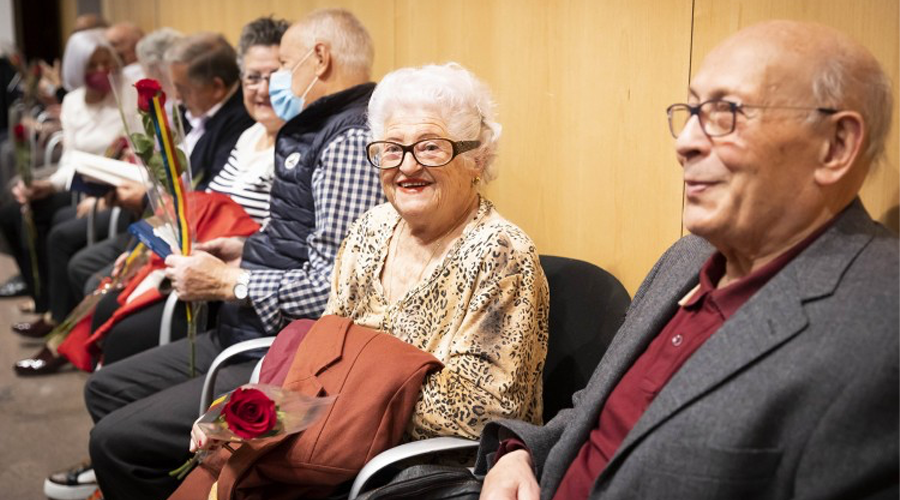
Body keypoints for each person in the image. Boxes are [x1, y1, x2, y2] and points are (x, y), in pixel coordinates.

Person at [477, 20, 898, 500]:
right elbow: (602, 411)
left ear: (835, 145)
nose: (685, 143)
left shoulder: (882, 329)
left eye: (725, 113)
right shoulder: (686, 259)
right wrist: (519, 452)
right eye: (693, 111)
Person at [181, 61, 550, 499]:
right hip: (335, 441)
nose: (406, 167)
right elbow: (324, 359)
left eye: (431, 147)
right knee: (218, 467)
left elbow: (477, 412)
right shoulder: (372, 228)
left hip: (423, 467)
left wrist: (327, 402)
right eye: (391, 149)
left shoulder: (501, 253)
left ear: (476, 158)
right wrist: (258, 412)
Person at [61, 9, 384, 500]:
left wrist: (229, 282)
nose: (274, 79)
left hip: (278, 347)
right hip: (250, 321)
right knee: (105, 388)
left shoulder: (346, 139)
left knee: (116, 439)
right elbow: (296, 239)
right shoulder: (319, 128)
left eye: (282, 64)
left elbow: (332, 289)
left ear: (319, 60)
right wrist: (242, 247)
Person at [16, 17, 287, 376]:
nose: (178, 98)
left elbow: (226, 213)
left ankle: (82, 353)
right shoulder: (245, 133)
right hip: (182, 235)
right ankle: (64, 334)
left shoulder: (245, 128)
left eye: (273, 77)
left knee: (86, 265)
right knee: (83, 260)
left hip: (218, 261)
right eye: (252, 77)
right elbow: (205, 198)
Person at [0, 28, 131, 336]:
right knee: (14, 211)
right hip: (78, 184)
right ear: (77, 70)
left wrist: (99, 196)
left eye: (106, 63)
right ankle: (43, 299)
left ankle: (58, 320)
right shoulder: (73, 102)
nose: (101, 72)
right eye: (92, 66)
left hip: (114, 188)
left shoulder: (128, 94)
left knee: (57, 227)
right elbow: (69, 159)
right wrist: (48, 185)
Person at [166, 33, 255, 188]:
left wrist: (143, 199)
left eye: (183, 89)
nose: (177, 96)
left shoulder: (242, 121)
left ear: (217, 87)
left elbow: (208, 190)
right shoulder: (192, 111)